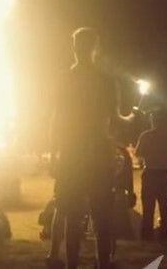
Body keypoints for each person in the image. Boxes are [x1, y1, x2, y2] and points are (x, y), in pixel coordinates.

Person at [49, 27, 122, 269]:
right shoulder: (105, 81)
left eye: (78, 45)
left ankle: (75, 265)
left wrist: (53, 154)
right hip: (95, 151)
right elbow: (113, 122)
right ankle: (100, 264)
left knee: (73, 214)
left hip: (74, 151)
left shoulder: (66, 78)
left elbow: (56, 119)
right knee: (98, 217)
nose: (77, 49)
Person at [135, 109, 167, 240]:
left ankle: (147, 234)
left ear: (154, 120)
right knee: (165, 205)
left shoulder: (146, 136)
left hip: (151, 172)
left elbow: (138, 153)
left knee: (148, 206)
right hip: (165, 173)